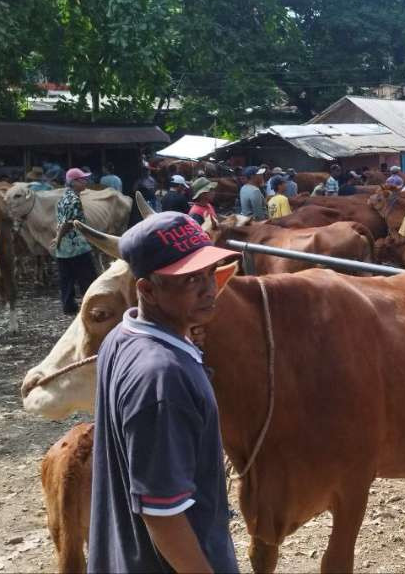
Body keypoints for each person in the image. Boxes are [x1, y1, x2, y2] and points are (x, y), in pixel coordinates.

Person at [88, 211, 239, 573]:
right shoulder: (162, 377)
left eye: (209, 273)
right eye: (189, 280)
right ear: (147, 290)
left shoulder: (121, 337)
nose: (208, 288)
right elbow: (163, 515)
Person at [53, 168, 99, 315]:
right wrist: (58, 239)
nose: (85, 182)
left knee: (66, 279)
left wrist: (58, 240)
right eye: (82, 179)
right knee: (88, 277)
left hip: (63, 250)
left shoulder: (63, 197)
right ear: (73, 182)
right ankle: (92, 306)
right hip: (77, 246)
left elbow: (60, 221)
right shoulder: (74, 200)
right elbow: (68, 223)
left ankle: (69, 307)